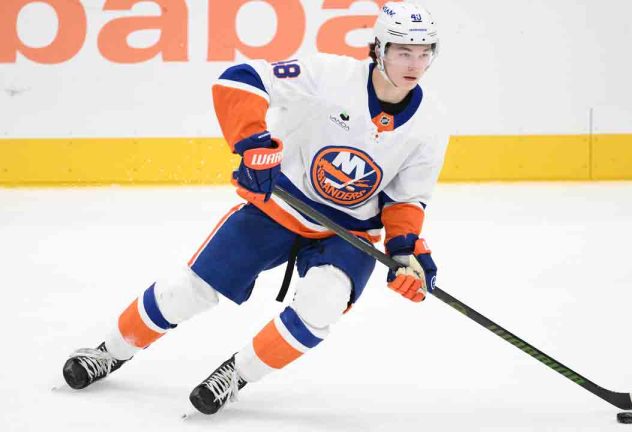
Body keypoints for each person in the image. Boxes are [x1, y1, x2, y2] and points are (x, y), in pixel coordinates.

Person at [62, 1, 447, 416]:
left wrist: (406, 251)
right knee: (189, 291)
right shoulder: (328, 75)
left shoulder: (432, 123)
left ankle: (236, 375)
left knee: (322, 304)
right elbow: (242, 79)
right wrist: (252, 144)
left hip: (349, 233)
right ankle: (111, 351)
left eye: (425, 52)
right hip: (279, 206)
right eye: (403, 51)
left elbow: (405, 198)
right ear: (378, 49)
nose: (415, 63)